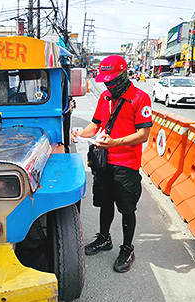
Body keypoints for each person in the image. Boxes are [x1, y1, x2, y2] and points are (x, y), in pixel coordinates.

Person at [70, 55, 152, 273]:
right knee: (105, 203)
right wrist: (80, 133)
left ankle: (127, 248)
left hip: (126, 164)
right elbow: (96, 125)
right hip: (104, 163)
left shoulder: (139, 98)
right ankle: (104, 238)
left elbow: (143, 134)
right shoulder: (105, 97)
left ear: (124, 75)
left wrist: (115, 142)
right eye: (106, 81)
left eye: (112, 81)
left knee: (127, 209)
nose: (109, 85)